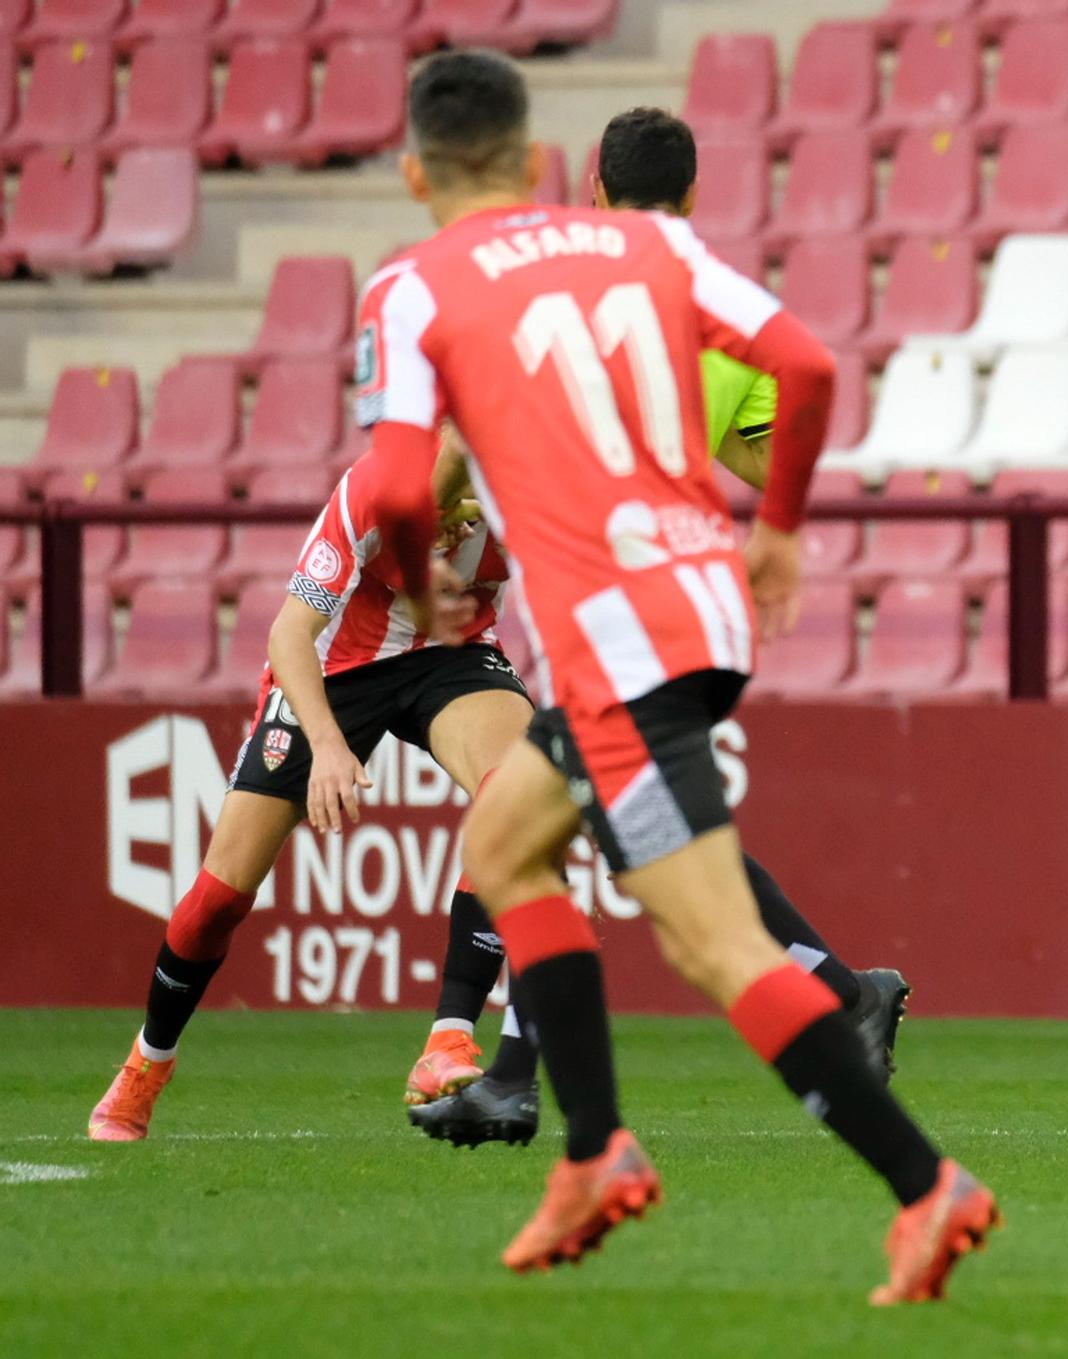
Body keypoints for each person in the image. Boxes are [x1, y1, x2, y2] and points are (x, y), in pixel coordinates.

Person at [358, 52, 996, 1296]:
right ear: (536, 157)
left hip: (618, 641)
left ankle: (926, 1187)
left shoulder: (414, 284)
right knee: (505, 848)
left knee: (713, 946)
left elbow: (394, 486)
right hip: (702, 608)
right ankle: (590, 1149)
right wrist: (781, 526)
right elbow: (806, 369)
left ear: (414, 169)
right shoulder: (651, 251)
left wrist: (415, 578)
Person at [413, 105, 911, 1150]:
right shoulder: (702, 313)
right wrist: (765, 526)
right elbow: (778, 457)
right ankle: (529, 1081)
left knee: (622, 857)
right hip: (667, 608)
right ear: (690, 199)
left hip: (608, 619)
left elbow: (472, 426)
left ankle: (886, 1127)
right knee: (578, 830)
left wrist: (440, 513)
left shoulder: (551, 293)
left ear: (589, 191)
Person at [87, 442, 529, 1141]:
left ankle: (447, 1040)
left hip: (454, 655)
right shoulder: (378, 485)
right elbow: (291, 631)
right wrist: (326, 743)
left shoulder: (535, 480)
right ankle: (149, 1059)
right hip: (339, 666)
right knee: (217, 901)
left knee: (524, 792)